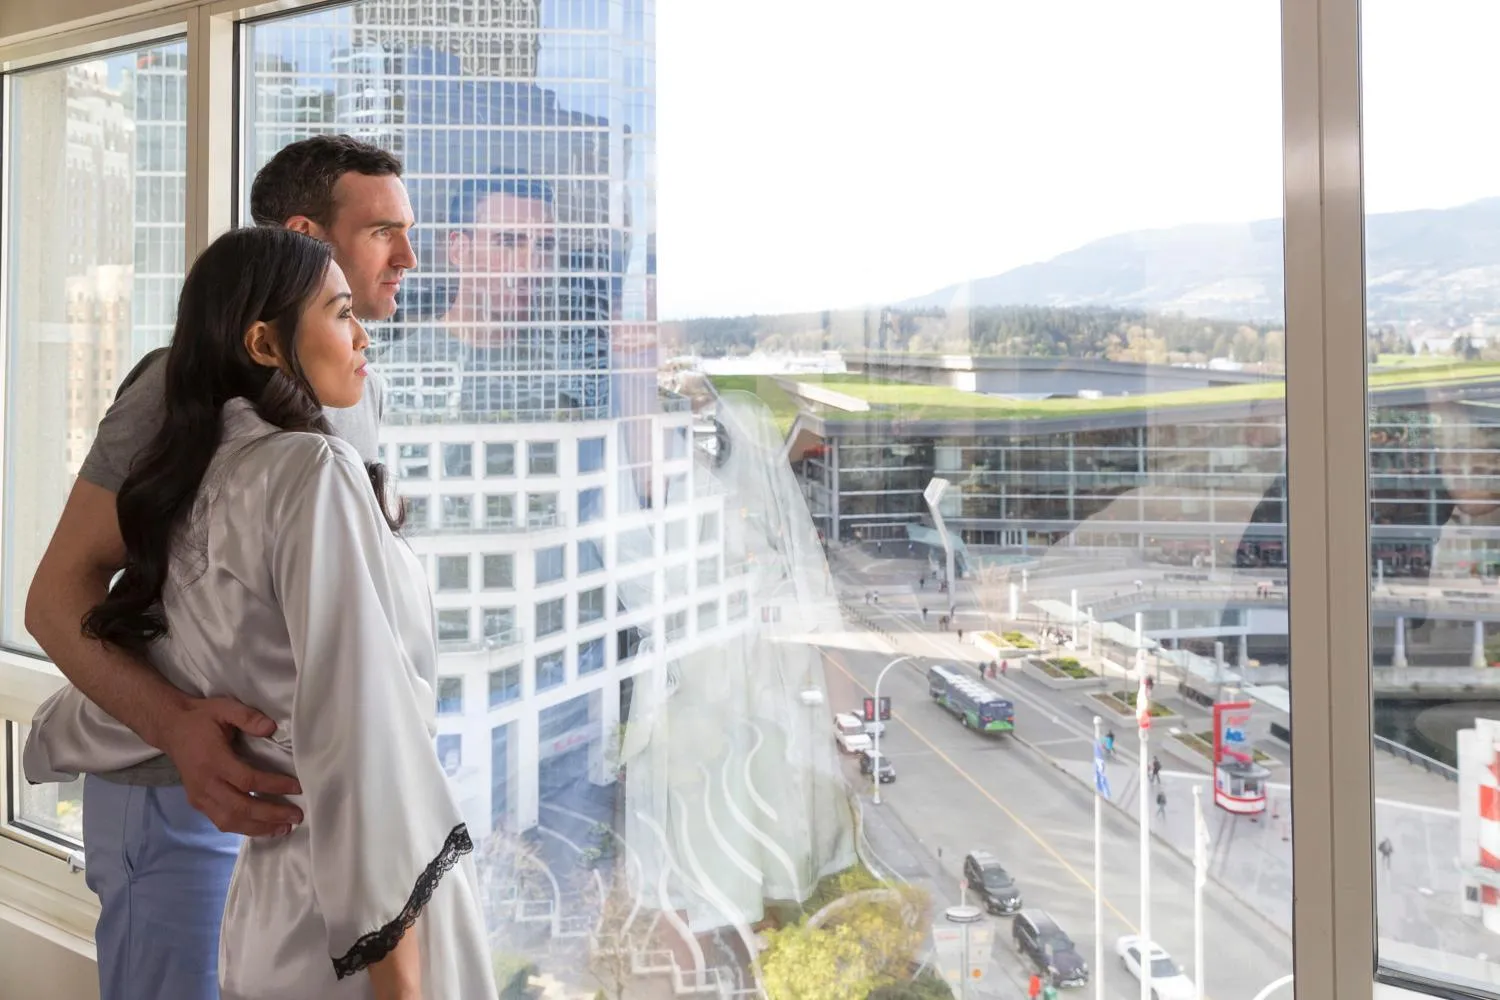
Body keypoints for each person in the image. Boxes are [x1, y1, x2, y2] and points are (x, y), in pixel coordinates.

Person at [27, 228, 496, 1000]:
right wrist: (400, 977)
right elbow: (357, 740)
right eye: (341, 311)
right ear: (264, 342)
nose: (363, 332)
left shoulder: (204, 472)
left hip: (271, 902)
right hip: (349, 916)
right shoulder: (312, 470)